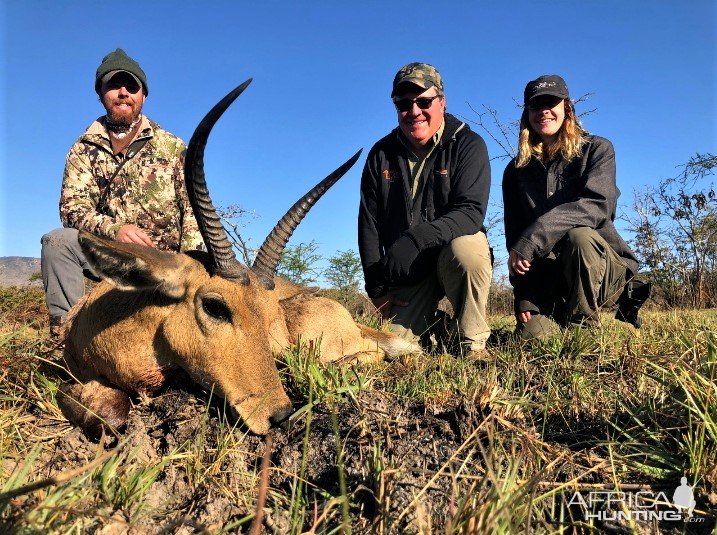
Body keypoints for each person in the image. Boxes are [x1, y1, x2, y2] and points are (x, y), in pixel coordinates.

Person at [41, 48, 203, 336]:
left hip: (166, 261)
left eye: (132, 87)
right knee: (58, 242)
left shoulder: (172, 146)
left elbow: (192, 207)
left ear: (143, 96)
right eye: (114, 85)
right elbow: (72, 209)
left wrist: (190, 263)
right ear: (101, 93)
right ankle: (67, 338)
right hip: (112, 254)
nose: (123, 93)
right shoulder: (82, 148)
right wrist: (115, 230)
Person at [358, 62, 493, 356]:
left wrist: (416, 239)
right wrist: (376, 288)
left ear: (441, 102)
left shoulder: (468, 144)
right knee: (394, 350)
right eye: (404, 104)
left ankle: (471, 343)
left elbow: (471, 212)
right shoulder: (380, 154)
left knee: (469, 248)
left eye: (424, 101)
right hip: (409, 271)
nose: (414, 111)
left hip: (452, 256)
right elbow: (368, 224)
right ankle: (438, 326)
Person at [502, 74, 650, 339]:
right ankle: (557, 315)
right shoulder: (514, 171)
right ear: (527, 114)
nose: (544, 111)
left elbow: (597, 206)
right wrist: (524, 294)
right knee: (532, 337)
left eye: (551, 103)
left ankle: (585, 330)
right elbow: (515, 238)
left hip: (602, 271)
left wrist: (533, 236)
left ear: (566, 109)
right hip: (549, 279)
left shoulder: (597, 149)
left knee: (578, 236)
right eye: (536, 106)